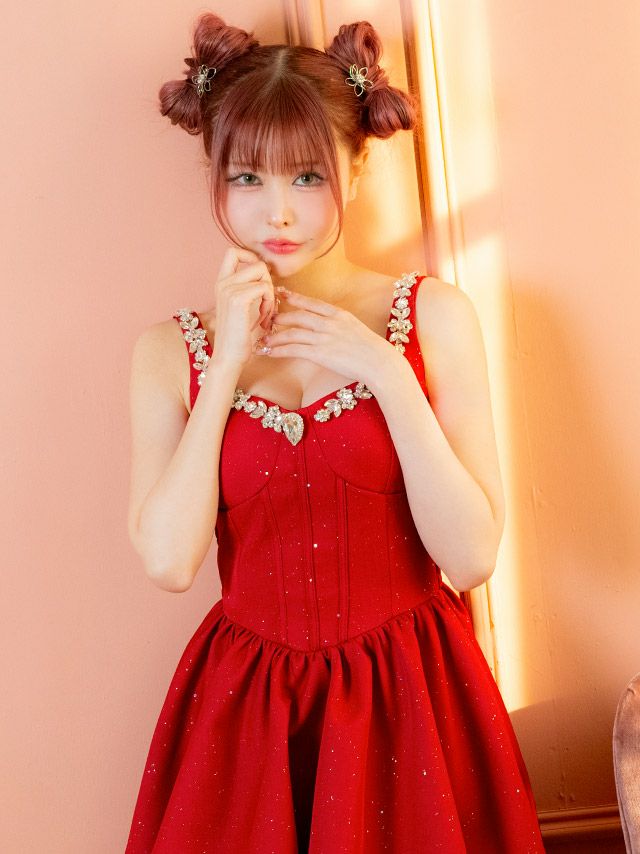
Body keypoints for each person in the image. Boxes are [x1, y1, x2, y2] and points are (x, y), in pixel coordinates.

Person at [124, 11, 545, 853]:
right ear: (216, 175)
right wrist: (227, 362)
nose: (277, 211)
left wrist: (385, 371)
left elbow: (471, 557)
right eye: (247, 177)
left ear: (356, 169)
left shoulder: (432, 318)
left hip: (415, 702)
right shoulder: (171, 351)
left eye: (308, 177)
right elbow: (169, 563)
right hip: (250, 715)